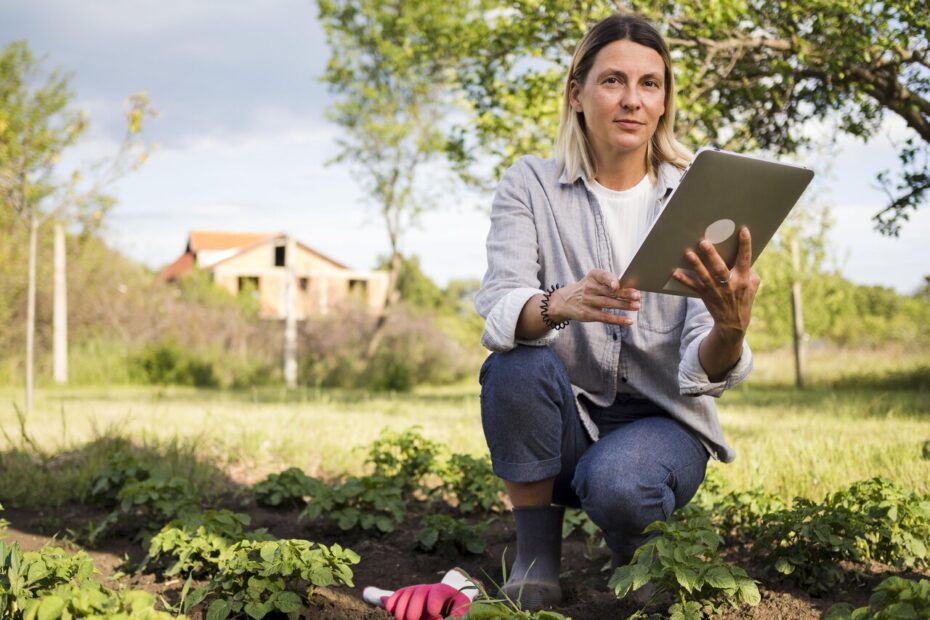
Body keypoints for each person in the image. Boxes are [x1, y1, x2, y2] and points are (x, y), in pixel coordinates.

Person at [475, 13, 761, 610]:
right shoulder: (530, 184)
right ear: (577, 95)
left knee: (620, 482)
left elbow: (705, 368)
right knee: (514, 363)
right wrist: (557, 304)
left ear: (664, 102)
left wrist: (731, 328)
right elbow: (501, 305)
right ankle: (535, 557)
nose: (632, 100)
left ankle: (638, 553)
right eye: (612, 81)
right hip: (565, 421)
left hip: (663, 423)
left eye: (649, 84)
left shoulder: (699, 195)